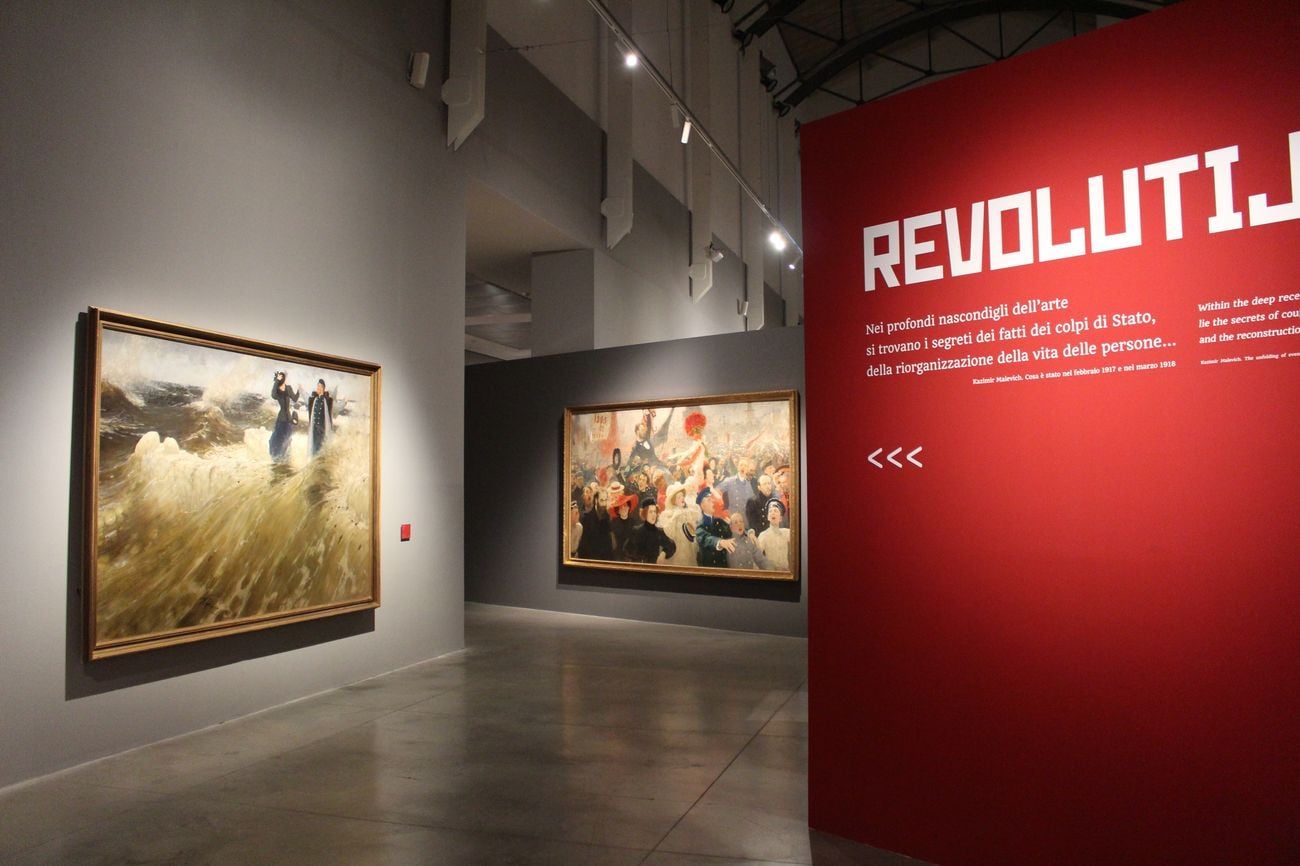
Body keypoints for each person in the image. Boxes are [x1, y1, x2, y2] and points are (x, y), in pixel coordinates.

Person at [659, 481, 701, 567]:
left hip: (688, 548)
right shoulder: (668, 514)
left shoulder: (688, 511)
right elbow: (669, 534)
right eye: (679, 497)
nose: (682, 498)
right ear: (673, 501)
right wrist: (675, 516)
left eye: (682, 496)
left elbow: (693, 530)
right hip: (676, 549)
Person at [624, 497, 677, 564]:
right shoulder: (636, 531)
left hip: (653, 567)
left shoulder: (659, 532)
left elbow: (671, 545)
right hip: (638, 567)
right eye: (650, 512)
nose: (653, 514)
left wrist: (663, 553)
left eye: (655, 511)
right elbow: (627, 549)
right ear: (645, 513)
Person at [694, 487, 735, 568]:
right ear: (702, 505)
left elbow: (734, 531)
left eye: (712, 499)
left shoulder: (720, 521)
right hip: (709, 570)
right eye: (709, 500)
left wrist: (749, 532)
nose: (713, 501)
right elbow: (706, 539)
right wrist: (720, 542)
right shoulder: (699, 526)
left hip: (724, 568)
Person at [268, 371, 299, 462]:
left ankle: (286, 458)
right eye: (280, 377)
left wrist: (298, 390)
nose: (283, 379)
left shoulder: (288, 388)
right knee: (277, 439)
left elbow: (295, 398)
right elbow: (273, 395)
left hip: (288, 419)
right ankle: (276, 458)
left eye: (282, 377)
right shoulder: (277, 390)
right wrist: (276, 381)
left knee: (287, 439)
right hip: (281, 419)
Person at [576, 484, 613, 560]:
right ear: (596, 501)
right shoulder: (586, 519)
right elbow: (583, 547)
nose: (604, 504)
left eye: (605, 500)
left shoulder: (608, 519)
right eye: (601, 500)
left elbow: (609, 545)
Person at [757, 498, 791, 571]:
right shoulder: (763, 536)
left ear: (781, 518)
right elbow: (757, 557)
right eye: (770, 511)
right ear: (768, 517)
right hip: (771, 573)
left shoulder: (787, 533)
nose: (773, 513)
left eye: (775, 511)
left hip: (786, 573)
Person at [305, 379, 334, 456]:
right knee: (314, 449)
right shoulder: (314, 399)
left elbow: (334, 409)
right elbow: (305, 397)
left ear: (322, 388)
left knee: (321, 449)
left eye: (319, 386)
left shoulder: (327, 400)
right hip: (314, 429)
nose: (317, 388)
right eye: (317, 386)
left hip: (322, 429)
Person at [609, 493, 639, 560]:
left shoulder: (633, 522)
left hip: (630, 554)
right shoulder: (613, 522)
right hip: (617, 553)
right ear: (618, 510)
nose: (623, 508)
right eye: (621, 507)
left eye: (625, 506)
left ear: (628, 507)